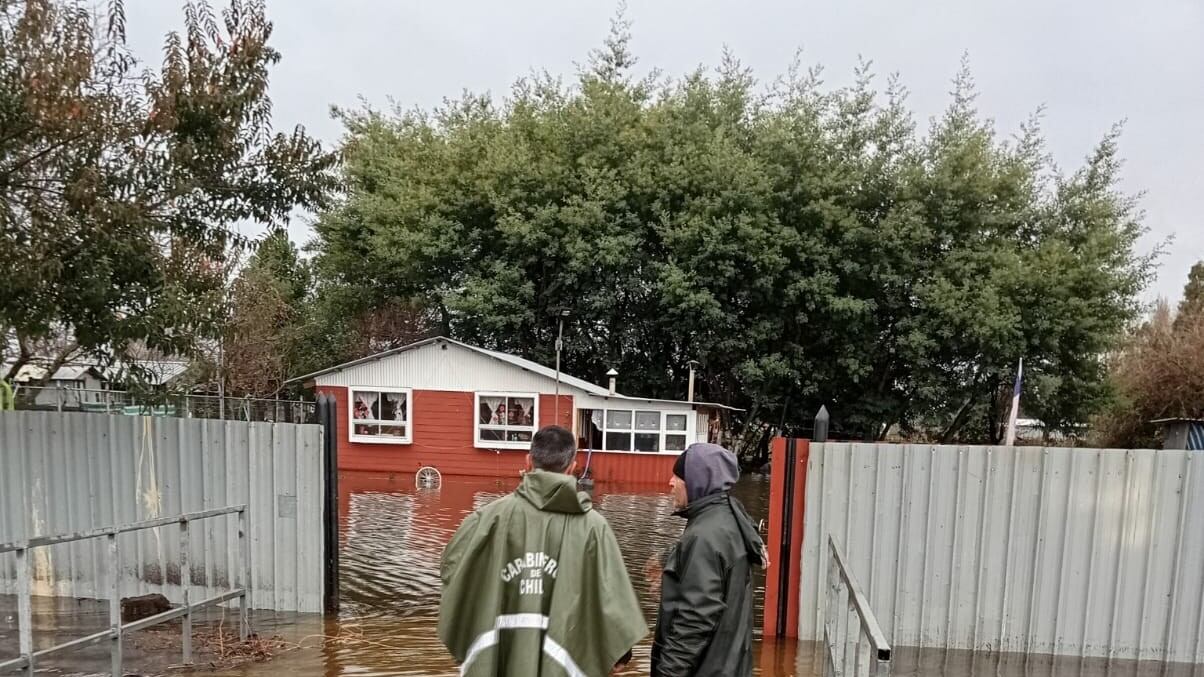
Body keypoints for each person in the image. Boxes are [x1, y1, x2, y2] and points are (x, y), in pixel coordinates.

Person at [438, 425, 647, 676]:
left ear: (528, 462)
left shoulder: (487, 519)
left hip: (500, 660)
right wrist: (619, 651)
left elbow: (453, 570)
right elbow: (614, 598)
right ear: (573, 466)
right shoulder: (595, 528)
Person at [652, 443, 768, 677]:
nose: (670, 482)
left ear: (697, 482)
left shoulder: (704, 537)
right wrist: (669, 560)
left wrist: (667, 673)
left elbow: (694, 620)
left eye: (678, 476)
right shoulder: (728, 518)